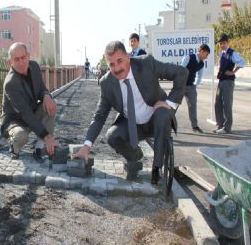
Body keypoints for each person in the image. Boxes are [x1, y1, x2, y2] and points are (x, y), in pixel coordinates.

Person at [73, 40, 188, 184]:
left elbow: (181, 72)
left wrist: (169, 103)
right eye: (112, 64)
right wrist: (86, 146)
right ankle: (135, 156)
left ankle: (156, 168)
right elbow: (99, 116)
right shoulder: (106, 83)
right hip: (133, 126)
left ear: (127, 56)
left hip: (156, 120)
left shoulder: (146, 64)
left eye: (119, 61)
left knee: (163, 114)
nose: (117, 68)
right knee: (112, 136)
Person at [0, 42, 58, 160]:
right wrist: (48, 136)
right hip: (15, 121)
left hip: (31, 113)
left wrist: (47, 96)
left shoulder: (34, 67)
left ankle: (39, 148)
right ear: (10, 61)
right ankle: (14, 146)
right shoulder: (11, 83)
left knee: (50, 105)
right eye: (16, 59)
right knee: (21, 136)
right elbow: (25, 113)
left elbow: (42, 89)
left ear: (28, 56)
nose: (21, 63)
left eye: (23, 57)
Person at [214, 33, 245, 134]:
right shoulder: (222, 53)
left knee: (227, 104)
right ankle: (220, 125)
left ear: (228, 43)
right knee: (217, 103)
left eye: (223, 43)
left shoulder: (232, 53)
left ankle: (227, 128)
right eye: (220, 43)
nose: (222, 45)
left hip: (228, 81)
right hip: (221, 80)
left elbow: (241, 62)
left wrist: (233, 71)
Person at [180, 44, 211, 133]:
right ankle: (168, 125)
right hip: (180, 86)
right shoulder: (188, 57)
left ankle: (195, 126)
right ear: (201, 51)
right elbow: (180, 70)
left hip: (191, 87)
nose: (206, 57)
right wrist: (179, 84)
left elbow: (200, 76)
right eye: (206, 54)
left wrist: (195, 85)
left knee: (193, 106)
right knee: (174, 106)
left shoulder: (201, 63)